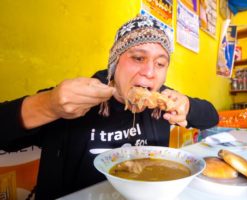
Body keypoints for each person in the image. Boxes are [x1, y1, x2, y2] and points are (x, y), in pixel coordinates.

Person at [0, 16, 219, 199]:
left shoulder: (162, 102)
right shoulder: (76, 100)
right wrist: (49, 105)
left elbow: (212, 116)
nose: (150, 72)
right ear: (114, 64)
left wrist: (188, 106)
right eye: (138, 58)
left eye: (160, 64)